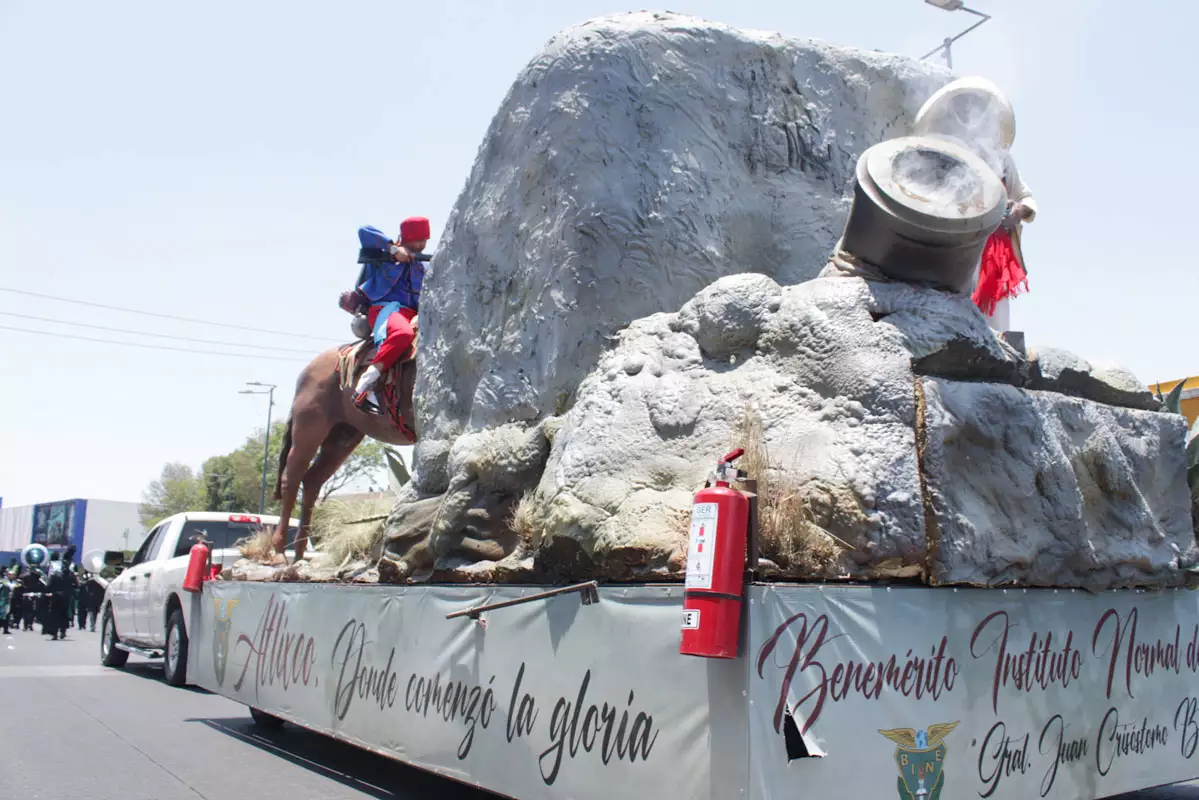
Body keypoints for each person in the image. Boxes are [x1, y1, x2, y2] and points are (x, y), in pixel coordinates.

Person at [913, 77, 1037, 333]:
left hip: (993, 252)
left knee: (998, 329)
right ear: (952, 111)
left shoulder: (1002, 159)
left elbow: (1027, 199)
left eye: (976, 106)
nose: (969, 111)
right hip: (954, 249)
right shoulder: (943, 154)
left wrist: (1017, 211)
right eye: (963, 105)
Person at [351, 216, 431, 415]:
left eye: (425, 240)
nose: (422, 244)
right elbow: (364, 230)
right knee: (403, 334)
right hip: (387, 309)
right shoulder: (385, 254)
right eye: (417, 239)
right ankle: (365, 385)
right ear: (406, 238)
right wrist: (393, 250)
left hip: (414, 314)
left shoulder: (424, 265)